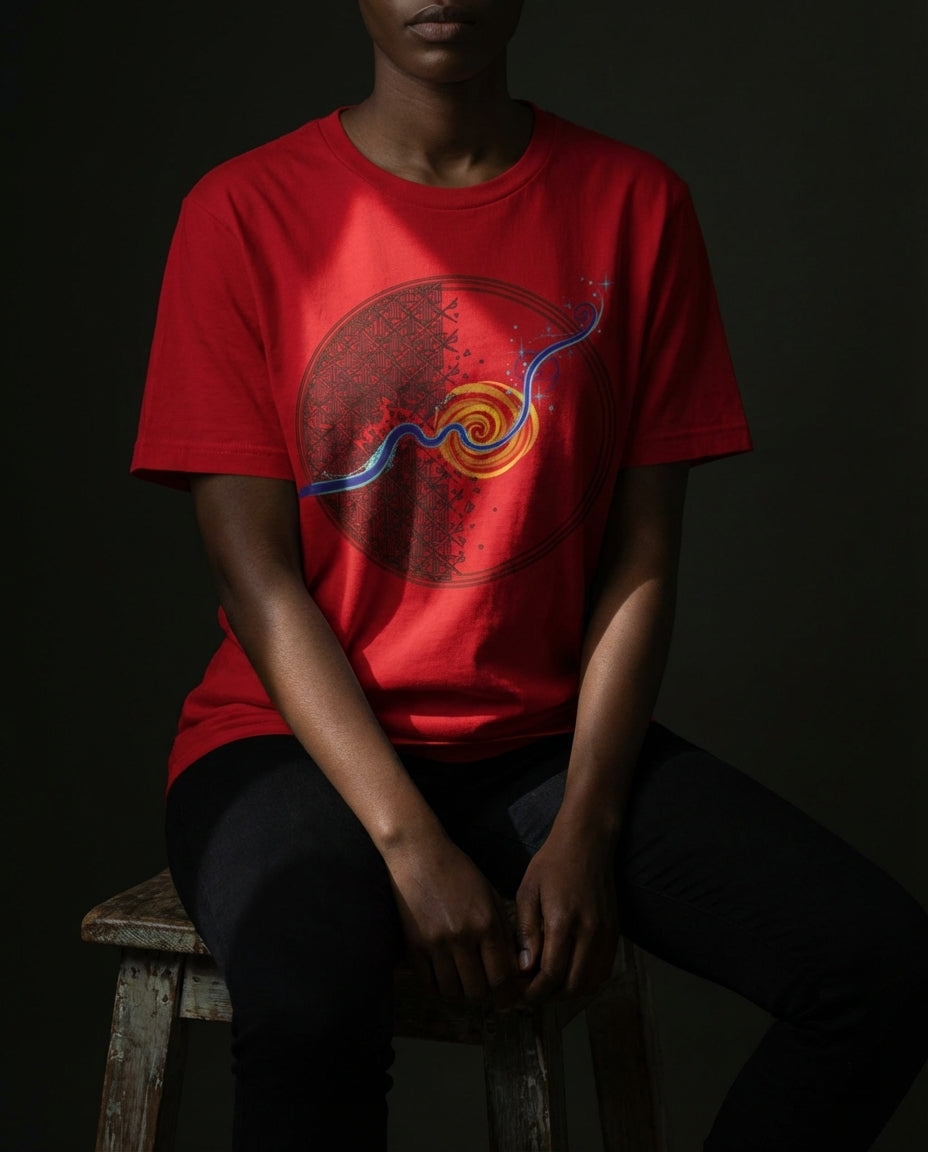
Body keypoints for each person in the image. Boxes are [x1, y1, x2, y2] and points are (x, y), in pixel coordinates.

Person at [130, 2, 928, 1148]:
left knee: (878, 972)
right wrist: (410, 846)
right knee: (311, 1012)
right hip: (291, 743)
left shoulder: (634, 206)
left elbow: (643, 555)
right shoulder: (241, 212)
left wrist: (588, 823)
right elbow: (257, 579)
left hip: (540, 749)